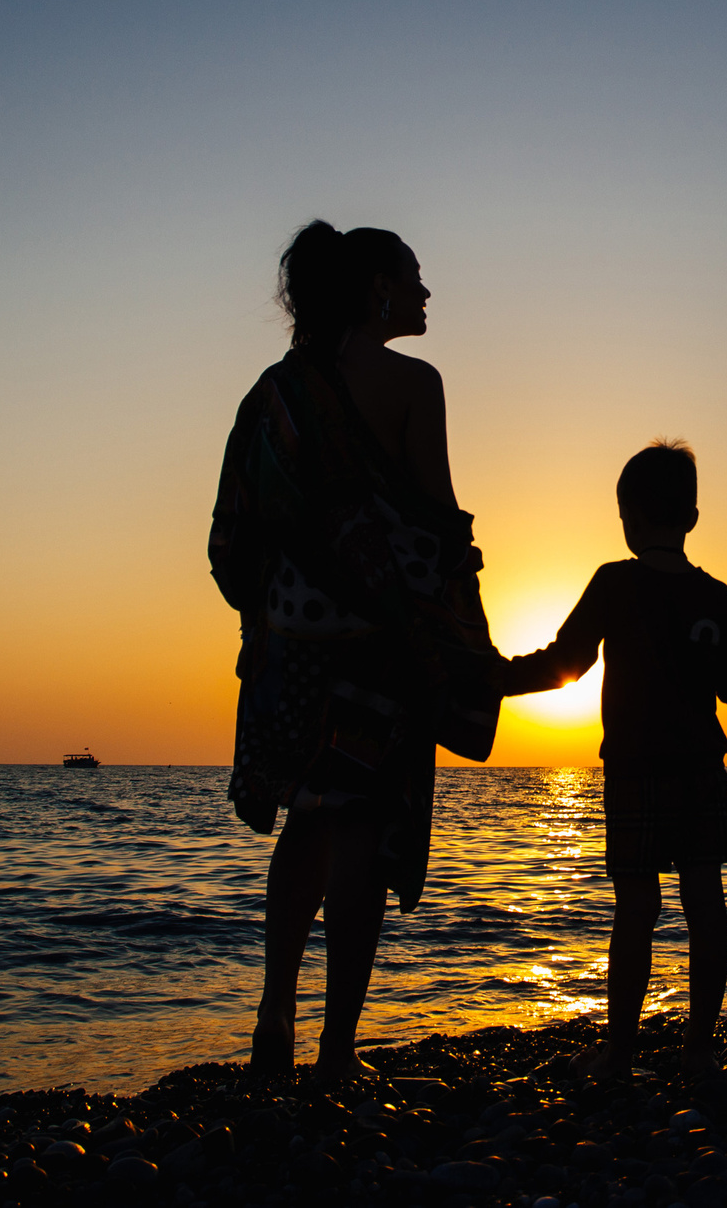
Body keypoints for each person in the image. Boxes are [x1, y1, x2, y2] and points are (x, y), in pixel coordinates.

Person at [208, 220, 501, 1082]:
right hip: (380, 643)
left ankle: (272, 1027)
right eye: (412, 278)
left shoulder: (274, 393)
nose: (423, 294)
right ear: (374, 285)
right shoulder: (414, 382)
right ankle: (337, 1048)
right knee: (362, 834)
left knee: (305, 824)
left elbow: (234, 535)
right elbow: (434, 518)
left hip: (289, 646)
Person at [500, 441, 727, 1080]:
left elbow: (565, 663)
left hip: (633, 768)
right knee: (707, 902)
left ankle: (621, 1053)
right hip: (702, 767)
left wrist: (493, 680)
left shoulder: (614, 582)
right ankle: (699, 1048)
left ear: (627, 516)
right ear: (693, 518)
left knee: (636, 909)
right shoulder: (716, 594)